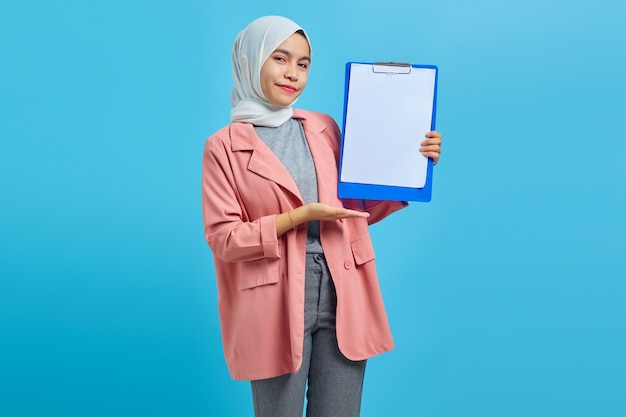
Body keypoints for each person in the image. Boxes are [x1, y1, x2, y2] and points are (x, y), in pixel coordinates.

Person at [201, 15, 442, 417]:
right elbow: (224, 238)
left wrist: (413, 165)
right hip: (275, 295)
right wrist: (297, 217)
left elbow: (358, 205)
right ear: (251, 60)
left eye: (303, 63)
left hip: (344, 285)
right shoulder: (223, 147)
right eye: (280, 58)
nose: (292, 74)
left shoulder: (323, 127)